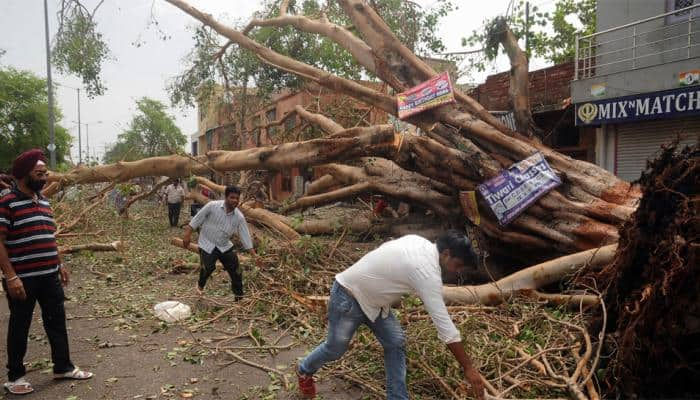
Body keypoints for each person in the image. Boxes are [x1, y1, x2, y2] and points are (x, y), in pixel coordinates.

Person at [296, 231, 485, 400]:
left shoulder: (419, 241)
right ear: (446, 254)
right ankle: (304, 370)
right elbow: (445, 327)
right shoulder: (426, 272)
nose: (457, 271)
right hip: (349, 296)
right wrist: (468, 367)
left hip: (375, 304)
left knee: (395, 342)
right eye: (458, 265)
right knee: (335, 349)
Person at [0, 150, 93, 395]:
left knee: (57, 322)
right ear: (23, 174)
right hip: (22, 278)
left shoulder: (43, 200)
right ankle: (15, 377)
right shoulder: (6, 201)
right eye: (39, 173)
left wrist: (59, 263)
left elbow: (49, 235)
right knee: (20, 325)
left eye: (45, 173)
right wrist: (11, 276)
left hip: (49, 274)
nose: (44, 177)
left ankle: (62, 366)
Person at [181, 185, 261, 299]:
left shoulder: (239, 217)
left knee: (237, 271)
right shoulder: (212, 206)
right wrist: (187, 234)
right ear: (226, 197)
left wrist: (254, 255)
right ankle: (200, 285)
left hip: (224, 245)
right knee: (208, 267)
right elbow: (197, 218)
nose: (235, 201)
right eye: (232, 197)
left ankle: (239, 297)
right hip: (207, 243)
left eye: (237, 198)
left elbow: (245, 236)